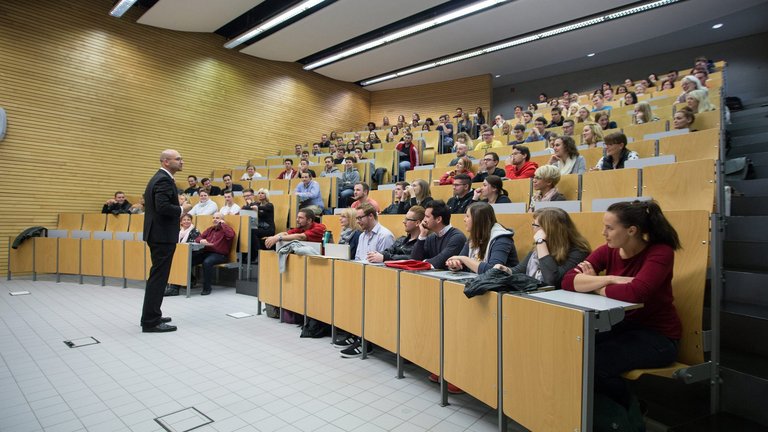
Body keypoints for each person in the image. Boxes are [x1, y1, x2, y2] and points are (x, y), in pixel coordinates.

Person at [562, 200, 682, 412]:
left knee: (594, 363)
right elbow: (568, 280)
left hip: (659, 337)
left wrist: (594, 285)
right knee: (571, 348)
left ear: (631, 230)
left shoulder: (660, 253)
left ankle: (630, 409)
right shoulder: (608, 251)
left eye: (609, 228)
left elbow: (636, 293)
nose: (603, 233)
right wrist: (610, 279)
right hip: (623, 327)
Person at [141, 149, 190, 333]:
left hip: (158, 234)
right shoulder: (163, 179)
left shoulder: (160, 178)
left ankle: (152, 314)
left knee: (158, 277)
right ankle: (150, 321)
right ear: (166, 162)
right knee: (158, 278)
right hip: (161, 236)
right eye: (178, 159)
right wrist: (182, 209)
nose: (182, 161)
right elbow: (162, 207)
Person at [495, 207, 591, 289]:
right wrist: (507, 270)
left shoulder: (579, 252)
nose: (533, 228)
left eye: (535, 225)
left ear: (550, 230)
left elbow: (552, 280)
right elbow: (520, 270)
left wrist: (541, 242)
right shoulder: (539, 246)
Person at [446, 202, 519, 274]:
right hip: (479, 280)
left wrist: (463, 259)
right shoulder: (474, 237)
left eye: (467, 216)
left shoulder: (502, 239)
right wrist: (455, 265)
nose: (464, 219)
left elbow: (494, 271)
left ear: (478, 220)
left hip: (504, 281)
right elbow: (462, 262)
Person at [411, 200, 467, 270]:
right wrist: (422, 235)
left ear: (438, 219)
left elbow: (439, 262)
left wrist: (421, 263)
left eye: (427, 217)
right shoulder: (431, 237)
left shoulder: (457, 237)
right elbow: (414, 260)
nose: (424, 220)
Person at [188, 212, 235, 296]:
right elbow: (198, 238)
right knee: (189, 259)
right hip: (207, 252)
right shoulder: (210, 229)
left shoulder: (227, 229)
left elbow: (231, 235)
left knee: (207, 262)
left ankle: (207, 288)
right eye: (213, 218)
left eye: (217, 218)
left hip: (220, 255)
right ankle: (191, 280)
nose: (215, 219)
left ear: (222, 220)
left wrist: (223, 224)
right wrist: (201, 240)